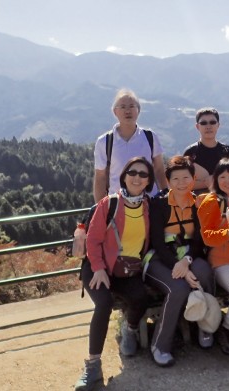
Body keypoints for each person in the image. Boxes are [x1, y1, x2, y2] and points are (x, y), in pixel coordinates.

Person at [75, 157, 154, 390]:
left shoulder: (148, 207)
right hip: (98, 267)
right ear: (124, 176)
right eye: (133, 172)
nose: (137, 177)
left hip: (127, 270)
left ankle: (129, 329)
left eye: (143, 174)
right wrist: (98, 268)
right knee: (103, 304)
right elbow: (93, 239)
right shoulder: (109, 204)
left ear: (149, 181)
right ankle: (92, 366)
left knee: (141, 297)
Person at [144, 155, 215, 366]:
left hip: (187, 255)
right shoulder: (159, 204)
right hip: (160, 258)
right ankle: (160, 344)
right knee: (178, 288)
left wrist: (187, 261)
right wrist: (178, 265)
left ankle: (206, 324)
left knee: (205, 273)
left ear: (193, 179)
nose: (181, 183)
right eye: (175, 179)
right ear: (167, 181)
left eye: (186, 178)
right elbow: (156, 241)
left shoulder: (197, 203)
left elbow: (198, 239)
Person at [197, 158, 229, 355]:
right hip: (221, 260)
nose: (228, 181)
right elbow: (207, 237)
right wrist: (228, 233)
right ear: (216, 180)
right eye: (223, 176)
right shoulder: (211, 202)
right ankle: (226, 329)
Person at [93, 88, 167, 202]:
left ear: (138, 110)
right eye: (122, 107)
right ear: (115, 112)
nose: (127, 111)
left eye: (132, 106)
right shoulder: (104, 142)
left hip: (150, 203)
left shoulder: (150, 137)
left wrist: (166, 196)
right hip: (118, 205)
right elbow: (100, 178)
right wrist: (101, 210)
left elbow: (159, 170)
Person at [183, 107, 229, 192]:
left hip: (224, 201)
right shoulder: (190, 152)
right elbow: (182, 184)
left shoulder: (227, 151)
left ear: (218, 125)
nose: (208, 126)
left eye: (212, 122)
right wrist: (209, 182)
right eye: (203, 123)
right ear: (197, 126)